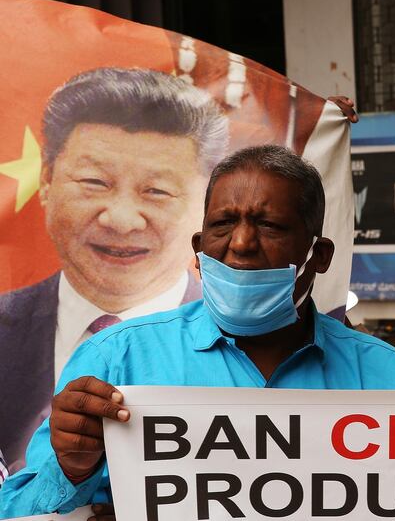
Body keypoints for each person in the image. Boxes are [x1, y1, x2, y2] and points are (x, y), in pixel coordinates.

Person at [0, 145, 395, 518]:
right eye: (223, 224)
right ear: (199, 249)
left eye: (270, 226)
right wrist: (72, 469)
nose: (243, 243)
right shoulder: (116, 360)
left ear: (319, 254)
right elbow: (18, 509)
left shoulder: (391, 382)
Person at [0, 67, 229, 474]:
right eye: (94, 182)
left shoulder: (256, 345)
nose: (122, 219)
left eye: (156, 191)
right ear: (47, 182)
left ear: (205, 204)